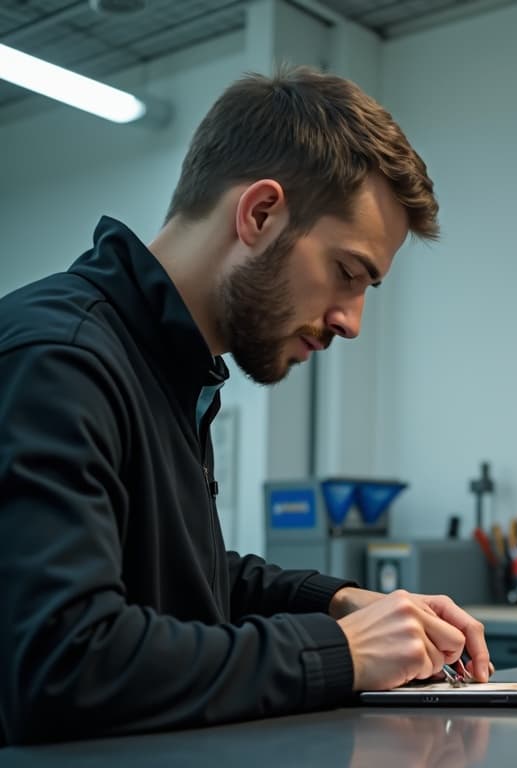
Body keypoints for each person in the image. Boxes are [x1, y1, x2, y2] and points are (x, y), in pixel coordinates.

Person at [0, 66, 491, 746]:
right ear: (260, 214)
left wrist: (344, 602)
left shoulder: (168, 370)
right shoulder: (60, 359)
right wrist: (341, 651)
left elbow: (188, 581)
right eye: (348, 273)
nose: (351, 321)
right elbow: (66, 663)